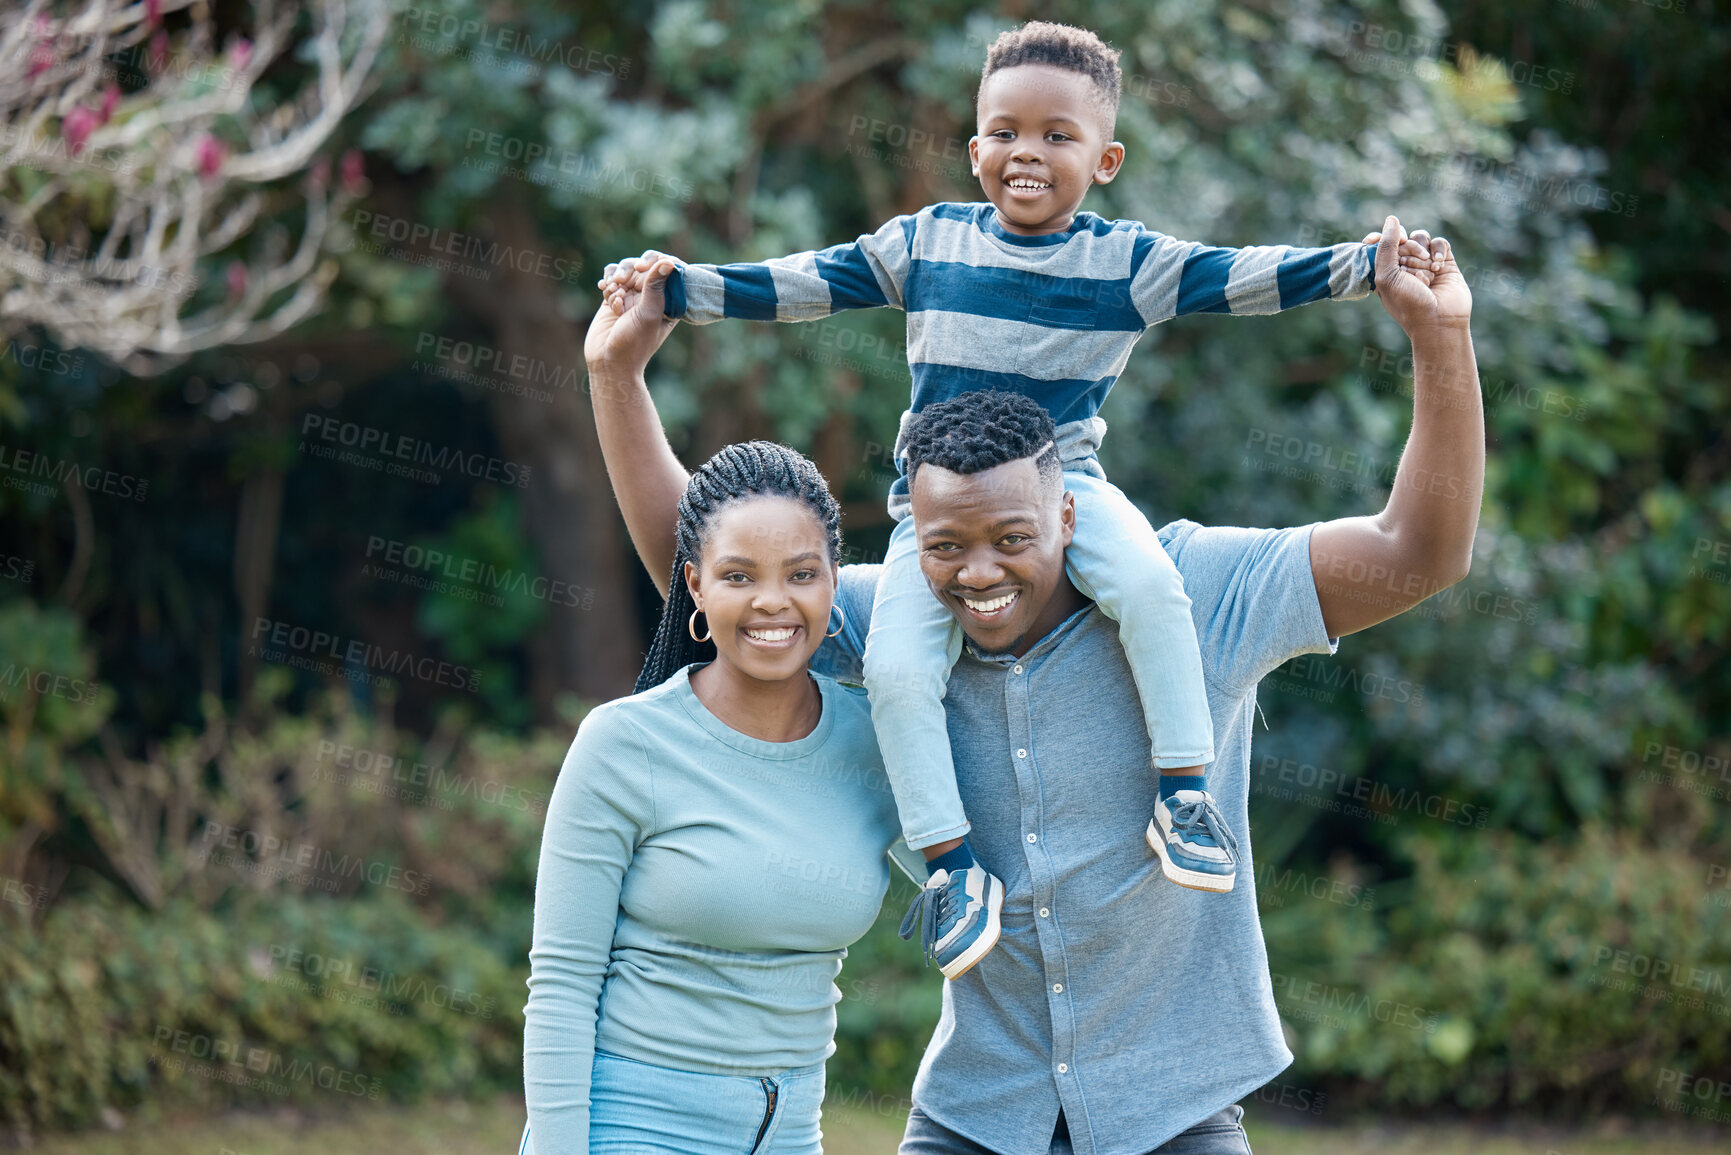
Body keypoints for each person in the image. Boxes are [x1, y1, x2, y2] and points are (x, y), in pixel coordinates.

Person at [585, 213, 1479, 1153]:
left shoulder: (1195, 592)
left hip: (1173, 1110)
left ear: (1067, 511)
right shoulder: (889, 622)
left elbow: (1416, 552)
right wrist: (616, 375)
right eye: (945, 547)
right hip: (975, 1111)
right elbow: (706, 574)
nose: (977, 575)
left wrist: (1439, 336)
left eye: (1013, 541)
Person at [602, 20, 1445, 979]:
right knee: (899, 670)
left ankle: (1181, 795)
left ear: (1105, 158)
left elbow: (1245, 275)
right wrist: (680, 293)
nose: (1026, 154)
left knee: (1153, 590)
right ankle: (953, 868)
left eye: (1056, 136)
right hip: (937, 516)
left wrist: (1365, 266)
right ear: (974, 149)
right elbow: (804, 284)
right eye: (1003, 133)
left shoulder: (1127, 263)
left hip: (1069, 490)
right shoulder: (927, 243)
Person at [518, 439, 900, 1154]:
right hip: (631, 1128)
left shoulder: (873, 744)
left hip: (791, 1135)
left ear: (832, 583)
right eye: (738, 575)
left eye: (801, 573)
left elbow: (988, 872)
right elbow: (563, 990)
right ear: (694, 586)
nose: (771, 601)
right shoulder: (625, 744)